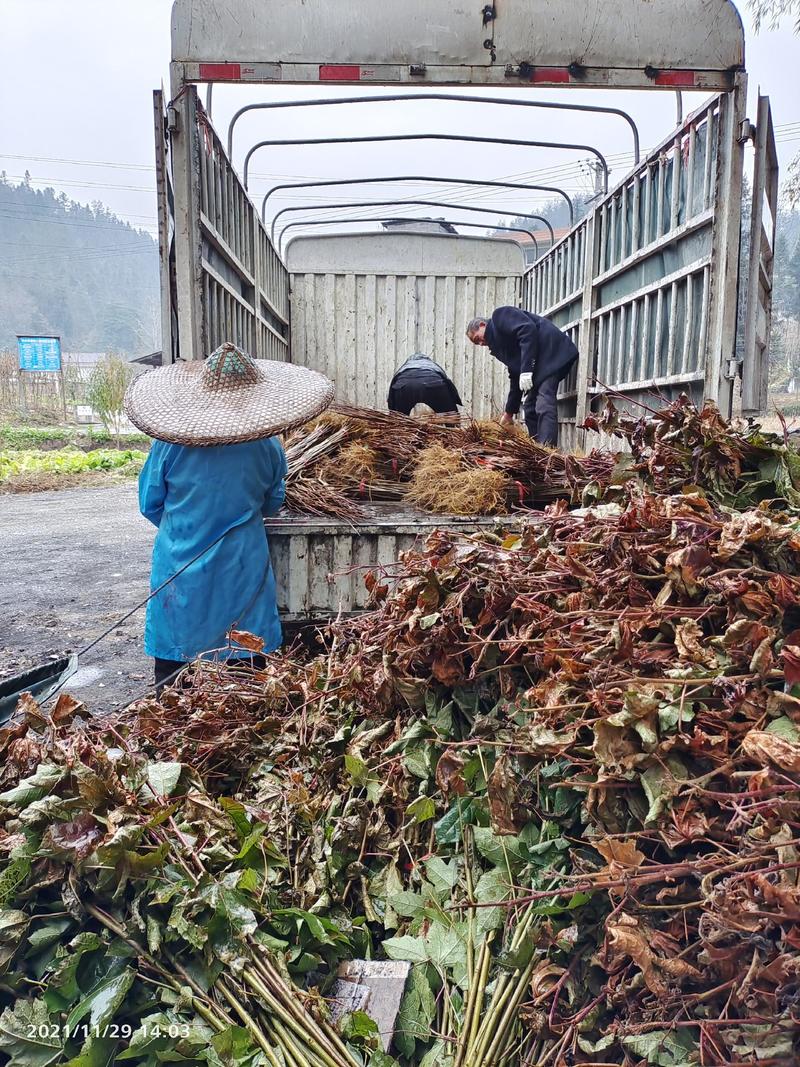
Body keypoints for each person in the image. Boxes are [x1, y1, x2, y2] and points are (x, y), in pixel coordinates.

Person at [124, 342, 334, 692]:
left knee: (176, 671)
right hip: (241, 564)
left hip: (180, 563)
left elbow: (150, 502)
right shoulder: (266, 444)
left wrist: (189, 527)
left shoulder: (171, 442)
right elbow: (272, 502)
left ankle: (171, 718)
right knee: (245, 661)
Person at [466, 308, 579, 446]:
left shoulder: (499, 316)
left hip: (552, 354)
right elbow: (515, 375)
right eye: (477, 343)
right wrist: (508, 413)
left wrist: (526, 370)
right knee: (530, 408)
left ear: (483, 325)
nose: (481, 343)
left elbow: (527, 329)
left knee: (544, 402)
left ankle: (547, 451)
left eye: (478, 338)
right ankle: (535, 448)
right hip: (541, 365)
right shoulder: (499, 348)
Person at [387, 352, 462, 416]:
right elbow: (448, 384)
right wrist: (454, 403)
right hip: (433, 383)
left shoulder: (403, 367)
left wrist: (392, 411)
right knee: (449, 416)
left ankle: (398, 430)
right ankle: (452, 428)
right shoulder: (433, 366)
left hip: (404, 386)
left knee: (399, 420)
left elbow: (392, 390)